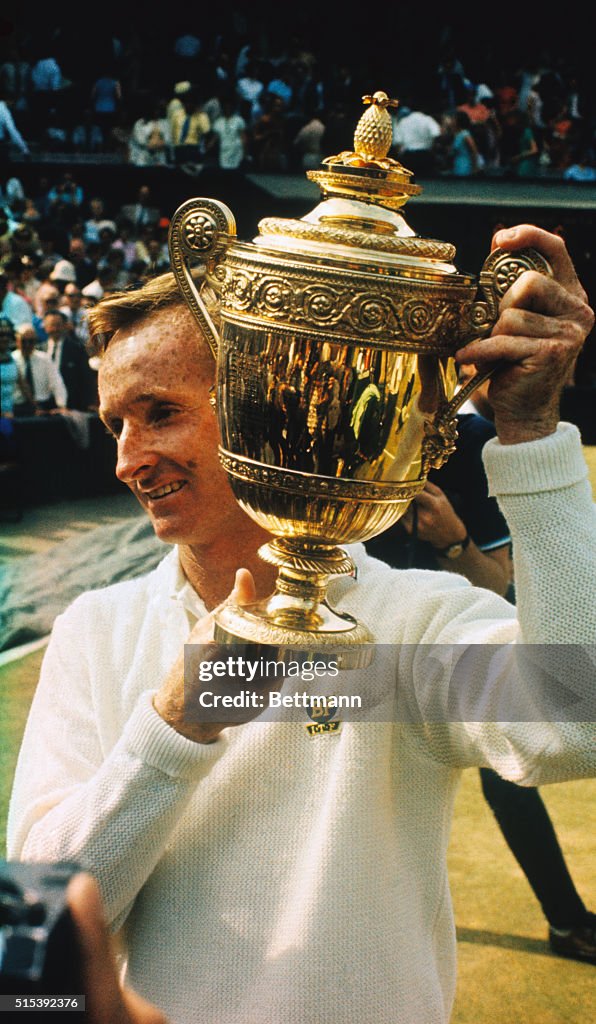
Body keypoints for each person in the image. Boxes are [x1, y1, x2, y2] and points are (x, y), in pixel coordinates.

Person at [7, 225, 596, 1024]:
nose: (127, 459)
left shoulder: (406, 623)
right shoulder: (95, 630)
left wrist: (532, 436)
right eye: (117, 424)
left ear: (267, 404)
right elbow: (46, 933)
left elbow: (574, 721)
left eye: (160, 412)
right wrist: (178, 722)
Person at [366, 409, 596, 962]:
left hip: (450, 638)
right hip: (358, 645)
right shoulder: (339, 434)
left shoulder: (470, 445)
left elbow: (498, 584)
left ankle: (566, 922)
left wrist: (453, 541)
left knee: (509, 771)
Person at [12, 322, 67, 415]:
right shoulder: (12, 359)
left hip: (42, 406)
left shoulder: (44, 359)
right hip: (17, 406)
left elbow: (57, 383)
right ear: (17, 341)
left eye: (31, 341)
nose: (27, 344)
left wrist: (62, 406)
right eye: (24, 341)